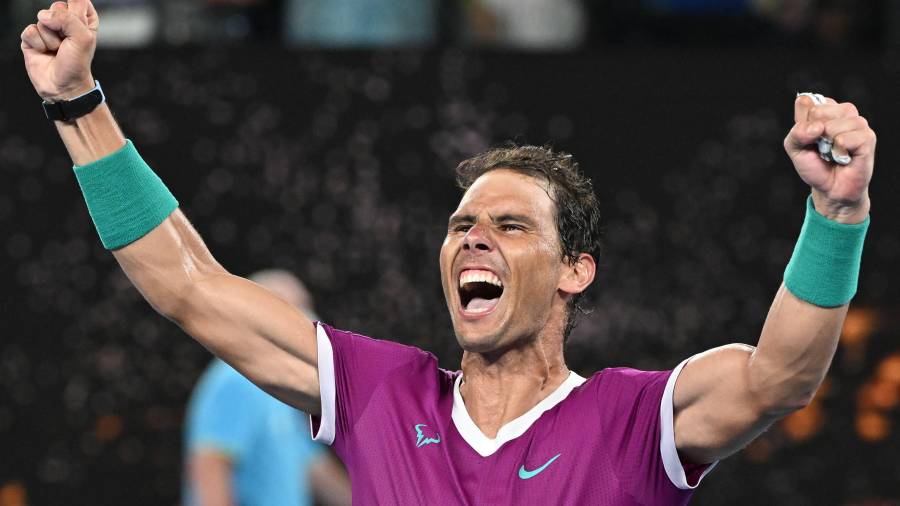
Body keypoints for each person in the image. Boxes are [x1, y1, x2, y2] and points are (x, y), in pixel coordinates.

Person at [20, 1, 876, 504]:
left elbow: (779, 377)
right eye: (463, 223)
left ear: (576, 270)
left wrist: (836, 215)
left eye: (511, 226)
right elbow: (189, 287)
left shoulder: (632, 421)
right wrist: (77, 107)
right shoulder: (381, 393)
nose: (473, 237)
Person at [184, 269, 351, 506]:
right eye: (294, 308)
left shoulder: (279, 391)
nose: (307, 319)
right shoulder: (234, 381)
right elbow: (210, 466)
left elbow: (315, 470)